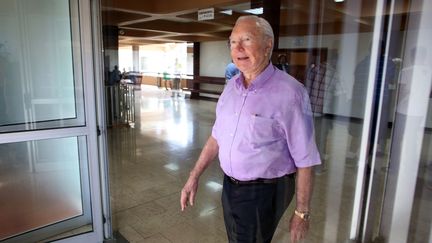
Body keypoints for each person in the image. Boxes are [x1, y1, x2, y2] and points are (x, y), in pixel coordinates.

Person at [180, 15, 321, 243]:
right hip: (230, 185)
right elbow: (217, 136)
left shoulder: (291, 93)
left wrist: (302, 212)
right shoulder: (231, 88)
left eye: (246, 39)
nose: (238, 48)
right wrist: (193, 176)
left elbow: (305, 158)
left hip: (265, 191)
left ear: (267, 46)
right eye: (233, 42)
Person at [305, 50, 344, 173]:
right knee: (320, 140)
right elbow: (341, 94)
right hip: (322, 113)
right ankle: (317, 168)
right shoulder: (334, 74)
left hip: (306, 111)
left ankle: (304, 165)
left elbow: (304, 88)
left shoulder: (313, 69)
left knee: (306, 138)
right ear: (335, 61)